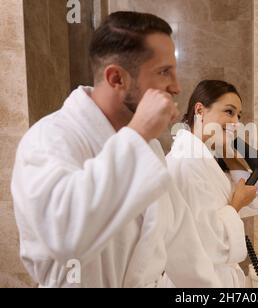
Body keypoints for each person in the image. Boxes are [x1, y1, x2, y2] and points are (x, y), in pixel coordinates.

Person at [11, 12, 221, 288]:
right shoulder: (48, 139)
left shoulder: (148, 148)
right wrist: (139, 132)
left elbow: (183, 242)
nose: (177, 86)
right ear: (116, 78)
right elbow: (64, 237)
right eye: (163, 72)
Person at [160, 80, 258, 288]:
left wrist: (229, 151)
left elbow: (255, 200)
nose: (236, 122)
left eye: (238, 116)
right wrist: (236, 205)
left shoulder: (206, 160)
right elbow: (206, 241)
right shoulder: (186, 162)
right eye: (229, 112)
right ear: (200, 111)